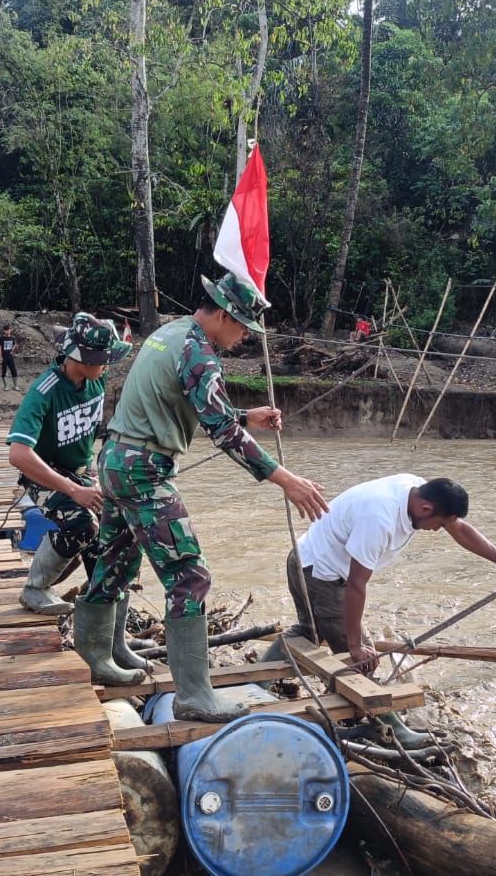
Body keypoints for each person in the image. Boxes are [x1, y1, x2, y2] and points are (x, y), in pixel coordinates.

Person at [75, 272, 328, 723]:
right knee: (190, 576)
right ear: (224, 316)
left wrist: (248, 415)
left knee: (116, 560)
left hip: (115, 458)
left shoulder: (171, 333)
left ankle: (102, 655)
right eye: (244, 326)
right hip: (143, 471)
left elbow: (199, 406)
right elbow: (223, 433)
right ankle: (193, 695)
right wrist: (285, 479)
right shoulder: (200, 354)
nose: (246, 336)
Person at [262, 474, 496, 747]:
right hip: (320, 573)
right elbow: (357, 584)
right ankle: (393, 730)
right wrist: (356, 644)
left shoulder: (415, 488)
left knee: (309, 632)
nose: (438, 530)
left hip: (306, 557)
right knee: (360, 657)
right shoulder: (379, 519)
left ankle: (254, 683)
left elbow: (460, 529)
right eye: (438, 525)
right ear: (426, 509)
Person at [7, 313, 132, 618]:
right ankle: (35, 588)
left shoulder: (95, 378)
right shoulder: (44, 391)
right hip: (44, 476)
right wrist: (73, 490)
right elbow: (19, 455)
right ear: (83, 359)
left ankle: (99, 597)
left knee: (113, 523)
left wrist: (94, 478)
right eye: (104, 360)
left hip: (81, 472)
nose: (108, 366)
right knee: (81, 523)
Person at [0, 323, 20, 391]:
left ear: (10, 330)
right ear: (4, 331)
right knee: (4, 370)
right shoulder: (1, 338)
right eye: (6, 330)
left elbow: (15, 344)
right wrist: (0, 357)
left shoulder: (12, 338)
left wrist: (12, 350)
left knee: (14, 370)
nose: (8, 331)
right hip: (4, 356)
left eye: (9, 330)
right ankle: (5, 386)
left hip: (10, 357)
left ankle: (15, 385)